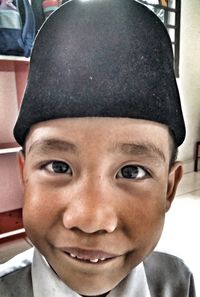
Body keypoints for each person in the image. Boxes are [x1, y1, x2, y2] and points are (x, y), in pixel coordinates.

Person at [0, 0, 196, 296]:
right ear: (24, 175)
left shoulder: (177, 284)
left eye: (132, 171)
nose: (90, 220)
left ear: (169, 189)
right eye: (58, 166)